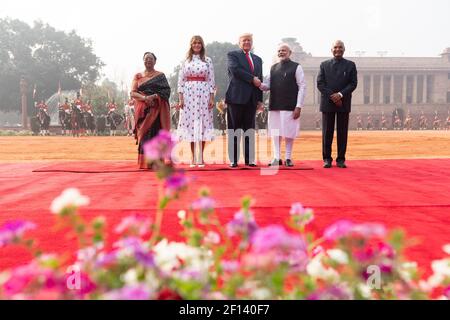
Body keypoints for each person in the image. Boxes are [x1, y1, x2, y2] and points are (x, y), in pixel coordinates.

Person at [260, 43, 306, 167]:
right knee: (276, 132)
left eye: (284, 50)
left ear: (290, 53)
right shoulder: (273, 68)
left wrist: (298, 106)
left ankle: (288, 157)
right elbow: (267, 86)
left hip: (290, 105)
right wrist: (258, 84)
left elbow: (302, 86)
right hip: (275, 104)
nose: (281, 52)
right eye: (279, 50)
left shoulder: (297, 67)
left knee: (289, 132)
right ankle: (276, 157)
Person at [317, 40, 358, 169]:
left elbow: (353, 83)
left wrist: (340, 95)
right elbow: (320, 84)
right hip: (328, 102)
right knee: (327, 132)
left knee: (342, 132)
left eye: (340, 47)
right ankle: (327, 159)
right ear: (331, 50)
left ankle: (340, 159)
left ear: (344, 50)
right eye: (335, 47)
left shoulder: (350, 65)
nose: (338, 49)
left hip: (343, 102)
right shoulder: (324, 65)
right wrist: (333, 96)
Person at [177, 35, 216, 167]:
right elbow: (180, 81)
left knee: (203, 124)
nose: (197, 45)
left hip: (204, 94)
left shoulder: (208, 60)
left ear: (202, 45)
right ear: (191, 45)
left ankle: (201, 156)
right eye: (194, 43)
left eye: (199, 43)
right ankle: (193, 157)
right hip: (189, 94)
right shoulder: (185, 61)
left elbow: (211, 80)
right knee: (192, 125)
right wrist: (181, 98)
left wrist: (211, 98)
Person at [225, 33, 263, 168]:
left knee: (250, 130)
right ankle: (233, 159)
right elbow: (235, 70)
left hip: (252, 99)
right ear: (239, 43)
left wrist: (260, 99)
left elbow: (260, 80)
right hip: (236, 97)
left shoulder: (258, 59)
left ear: (252, 43)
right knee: (234, 129)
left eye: (249, 40)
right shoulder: (233, 55)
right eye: (244, 40)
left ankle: (250, 159)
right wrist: (252, 79)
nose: (247, 42)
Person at [130, 52, 171, 169]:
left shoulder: (160, 76)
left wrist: (154, 97)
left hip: (157, 110)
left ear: (155, 61)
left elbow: (166, 92)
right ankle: (145, 163)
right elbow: (133, 92)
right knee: (145, 135)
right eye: (146, 59)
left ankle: (157, 163)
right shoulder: (138, 76)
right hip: (143, 111)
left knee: (156, 134)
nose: (148, 60)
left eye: (151, 59)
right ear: (143, 61)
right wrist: (145, 98)